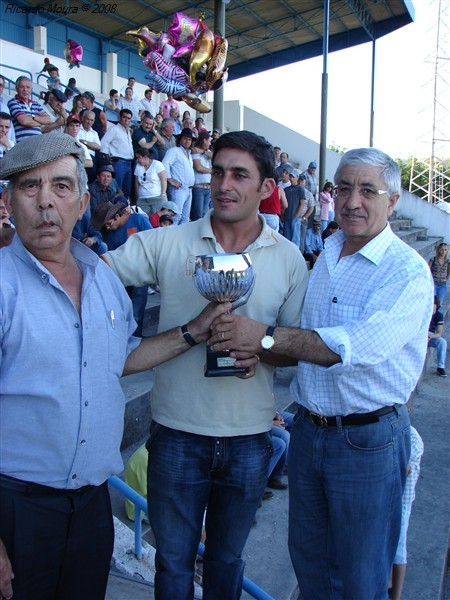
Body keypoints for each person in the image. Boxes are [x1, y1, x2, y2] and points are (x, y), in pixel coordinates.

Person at [0, 132, 229, 600]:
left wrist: (195, 330)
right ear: (7, 200)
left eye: (61, 187)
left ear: (83, 201)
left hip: (90, 507)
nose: (46, 202)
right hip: (16, 510)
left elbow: (119, 358)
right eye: (30, 187)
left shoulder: (102, 277)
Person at [208, 147, 435, 599]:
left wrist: (264, 337)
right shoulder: (327, 253)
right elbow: (304, 345)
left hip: (367, 441)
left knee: (361, 575)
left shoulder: (407, 272)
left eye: (368, 190)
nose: (353, 200)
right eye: (344, 187)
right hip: (309, 432)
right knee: (311, 565)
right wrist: (258, 350)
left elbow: (352, 347)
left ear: (393, 201)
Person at [102, 130, 308, 599]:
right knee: (173, 566)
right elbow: (96, 275)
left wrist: (260, 345)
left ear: (266, 188)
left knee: (227, 561)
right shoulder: (167, 243)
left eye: (240, 174)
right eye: (217, 172)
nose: (224, 184)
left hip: (250, 439)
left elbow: (291, 347)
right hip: (175, 434)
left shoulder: (290, 259)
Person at [92, 201, 152, 336]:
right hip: (122, 276)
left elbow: (152, 241)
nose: (108, 227)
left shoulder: (138, 220)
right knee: (123, 310)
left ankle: (136, 341)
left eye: (109, 223)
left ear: (117, 217)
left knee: (137, 312)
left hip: (140, 273)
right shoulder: (110, 234)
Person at [390, 423, 424, 600]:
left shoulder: (412, 437)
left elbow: (405, 468)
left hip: (402, 501)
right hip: (389, 499)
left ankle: (396, 594)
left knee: (398, 549)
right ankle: (388, 583)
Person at [162, 127, 195, 225]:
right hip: (178, 189)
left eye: (189, 139)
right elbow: (165, 164)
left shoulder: (189, 154)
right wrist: (170, 179)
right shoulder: (174, 151)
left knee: (185, 218)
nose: (187, 141)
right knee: (176, 217)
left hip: (189, 189)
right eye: (185, 138)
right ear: (180, 139)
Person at [100, 109, 134, 198]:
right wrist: (110, 162)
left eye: (129, 118)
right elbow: (103, 145)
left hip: (129, 163)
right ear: (119, 117)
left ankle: (124, 210)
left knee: (126, 191)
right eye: (124, 117)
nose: (126, 120)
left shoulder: (128, 131)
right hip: (119, 162)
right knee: (117, 190)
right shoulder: (114, 129)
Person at [7, 76, 51, 142]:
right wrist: (41, 122)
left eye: (28, 87)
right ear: (16, 88)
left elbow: (48, 120)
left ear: (31, 90)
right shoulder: (13, 102)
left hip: (37, 143)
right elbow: (24, 121)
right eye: (22, 87)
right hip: (23, 144)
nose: (25, 90)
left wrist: (33, 117)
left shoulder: (36, 104)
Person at [134, 147, 167, 215]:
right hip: (143, 199)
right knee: (143, 218)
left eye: (139, 157)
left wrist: (163, 194)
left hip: (157, 198)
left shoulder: (157, 164)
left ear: (145, 157)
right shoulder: (138, 166)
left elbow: (163, 179)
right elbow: (136, 182)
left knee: (156, 219)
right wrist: (139, 195)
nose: (137, 160)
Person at [190, 131, 213, 221]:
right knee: (198, 215)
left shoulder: (207, 152)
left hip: (208, 187)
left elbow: (214, 156)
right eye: (209, 141)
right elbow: (199, 168)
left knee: (204, 215)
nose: (210, 143)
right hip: (198, 187)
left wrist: (203, 152)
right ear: (204, 140)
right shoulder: (195, 151)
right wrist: (212, 171)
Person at [283, 168, 305, 248]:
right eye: (290, 177)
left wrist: (297, 215)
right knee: (287, 239)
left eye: (293, 177)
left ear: (297, 177)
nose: (291, 179)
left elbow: (302, 203)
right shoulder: (286, 189)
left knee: (295, 239)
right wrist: (283, 214)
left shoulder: (300, 189)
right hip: (287, 216)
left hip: (295, 217)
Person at [428, 295, 447, 377]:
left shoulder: (438, 315)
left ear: (436, 305)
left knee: (442, 342)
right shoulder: (423, 313)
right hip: (420, 336)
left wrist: (431, 336)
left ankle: (440, 368)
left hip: (430, 336)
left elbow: (439, 333)